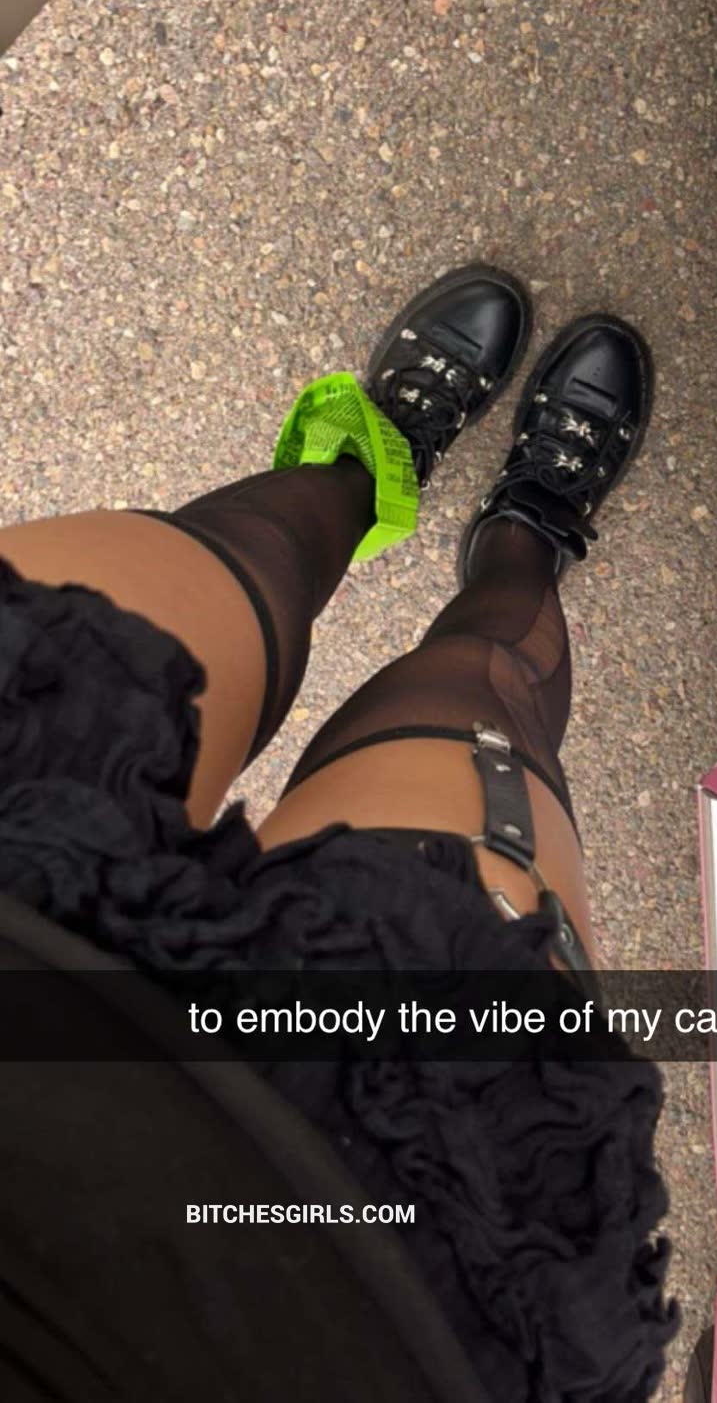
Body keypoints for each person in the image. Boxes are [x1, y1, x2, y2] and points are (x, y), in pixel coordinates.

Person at [0, 265, 677, 1403]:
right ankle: (526, 535)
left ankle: (369, 466)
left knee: (131, 625)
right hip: (312, 1296)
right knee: (473, 722)